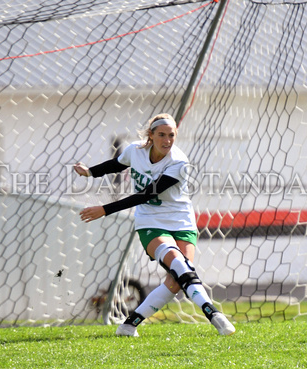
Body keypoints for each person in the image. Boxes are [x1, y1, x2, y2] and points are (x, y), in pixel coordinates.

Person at [74, 113, 235, 337]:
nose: (167, 140)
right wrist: (90, 172)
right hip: (150, 220)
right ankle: (214, 314)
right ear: (151, 135)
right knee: (179, 263)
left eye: (171, 135)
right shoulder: (135, 150)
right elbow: (116, 164)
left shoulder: (179, 162)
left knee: (176, 280)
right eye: (161, 135)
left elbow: (147, 194)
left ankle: (128, 325)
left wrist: (105, 209)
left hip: (181, 220)